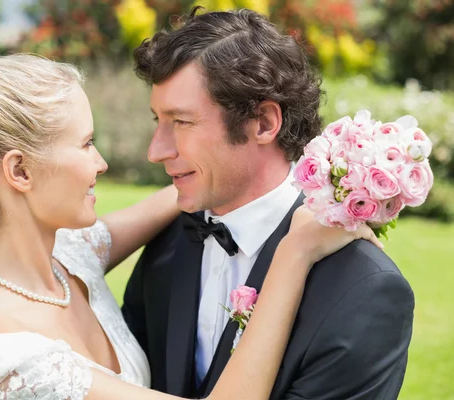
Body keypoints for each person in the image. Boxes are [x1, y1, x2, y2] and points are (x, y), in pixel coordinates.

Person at [0, 32, 381, 400]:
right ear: (19, 171)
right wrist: (295, 251)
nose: (102, 162)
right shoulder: (2, 355)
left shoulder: (71, 260)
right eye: (85, 144)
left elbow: (195, 194)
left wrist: (328, 184)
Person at [123, 7, 415, 400]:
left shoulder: (364, 289)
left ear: (262, 122)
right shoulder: (168, 244)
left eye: (182, 122)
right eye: (158, 120)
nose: (155, 151)